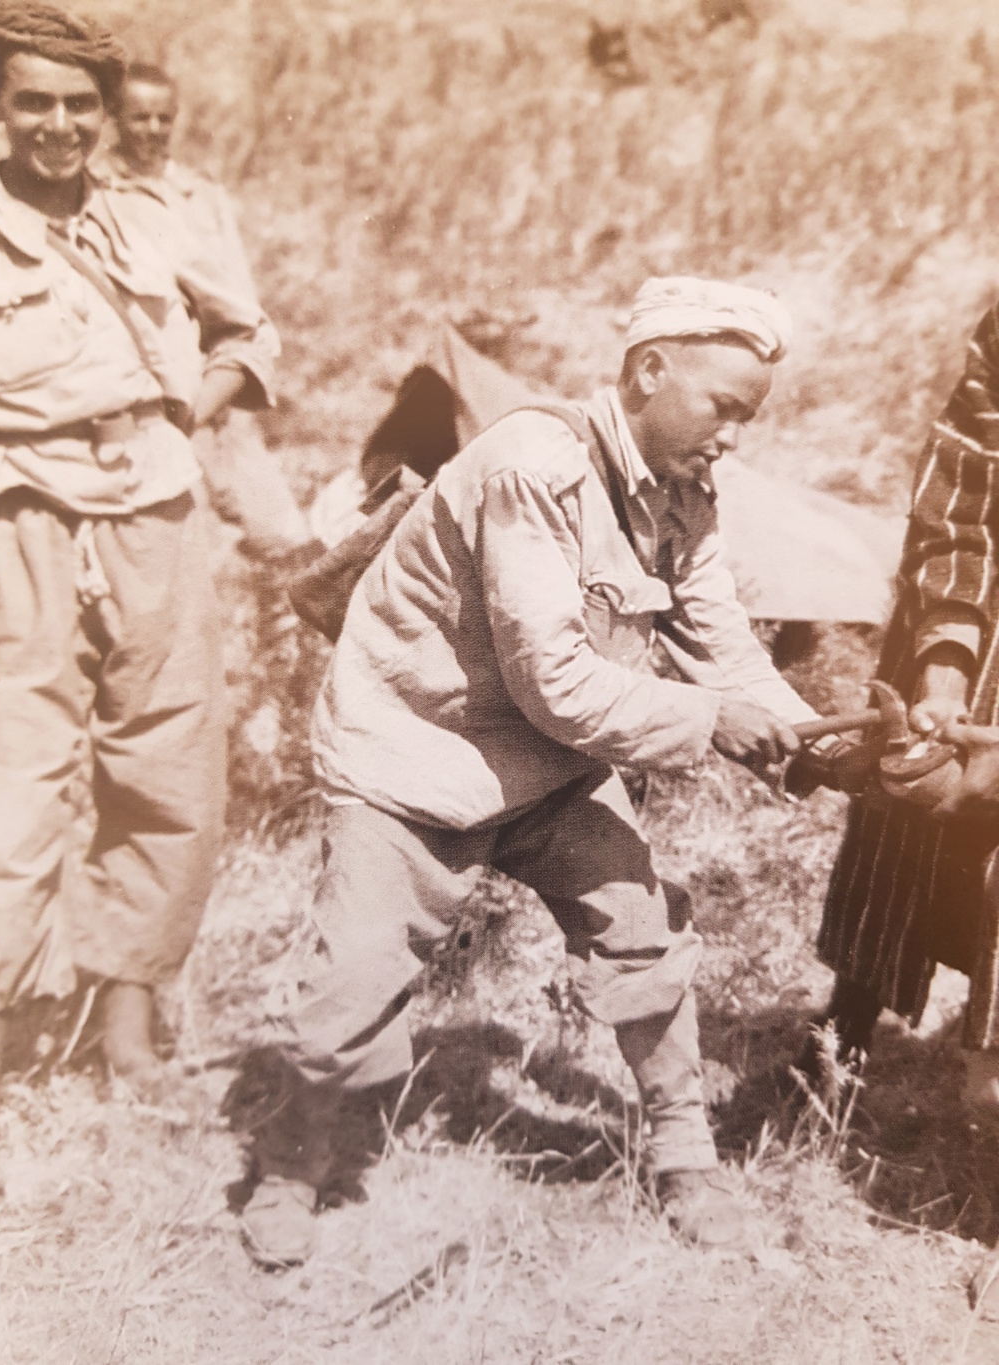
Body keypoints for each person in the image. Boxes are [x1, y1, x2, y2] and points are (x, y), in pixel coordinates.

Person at [223, 275, 820, 1267]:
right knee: (354, 981)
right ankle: (289, 1163)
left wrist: (823, 744)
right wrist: (712, 722)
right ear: (647, 371)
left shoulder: (684, 491)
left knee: (642, 933)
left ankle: (681, 1154)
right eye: (723, 408)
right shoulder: (535, 463)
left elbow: (726, 648)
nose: (731, 437)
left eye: (746, 418)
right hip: (413, 753)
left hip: (548, 764)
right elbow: (554, 683)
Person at [0, 2, 278, 1150]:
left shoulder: (155, 219)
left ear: (107, 113)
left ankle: (126, 1034)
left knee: (168, 773)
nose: (60, 125)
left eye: (79, 105)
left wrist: (176, 421)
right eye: (34, 101)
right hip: (21, 526)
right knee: (11, 801)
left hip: (157, 516)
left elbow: (246, 338)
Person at [808, 300, 999, 1316]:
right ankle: (837, 1043)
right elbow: (961, 500)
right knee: (902, 809)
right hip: (975, 620)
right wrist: (942, 670)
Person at [95, 60, 310, 561]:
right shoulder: (94, 192)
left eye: (163, 118)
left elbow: (241, 302)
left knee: (282, 536)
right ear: (113, 118)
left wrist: (215, 391)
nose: (152, 130)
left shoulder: (201, 194)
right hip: (147, 395)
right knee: (182, 548)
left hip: (216, 388)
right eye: (138, 117)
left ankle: (277, 631)